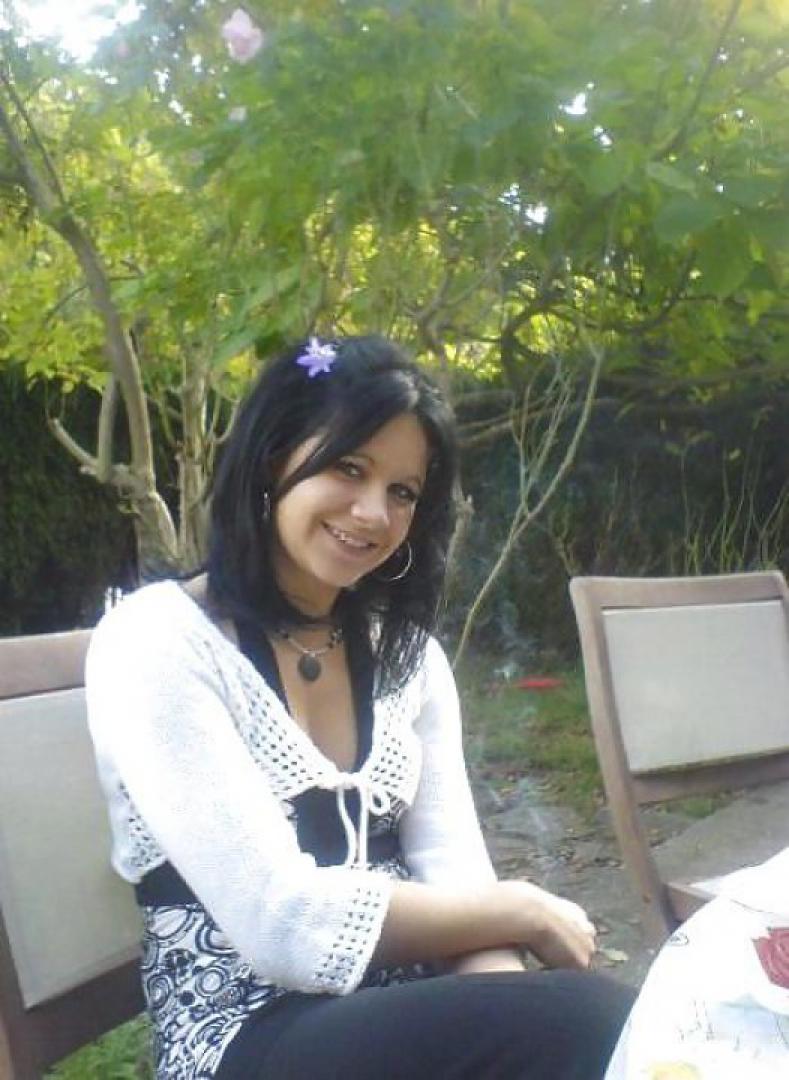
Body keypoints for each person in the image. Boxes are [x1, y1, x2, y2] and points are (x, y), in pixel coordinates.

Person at [86, 335, 634, 1080]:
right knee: (591, 1018)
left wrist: (515, 1003)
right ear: (271, 460)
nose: (373, 512)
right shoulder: (160, 641)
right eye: (348, 468)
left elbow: (455, 877)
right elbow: (281, 923)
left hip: (400, 1016)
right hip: (240, 1032)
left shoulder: (410, 662)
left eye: (403, 492)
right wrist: (523, 912)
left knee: (593, 1030)